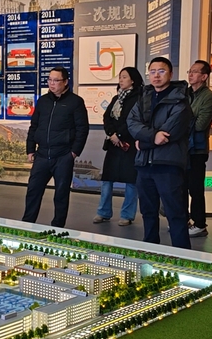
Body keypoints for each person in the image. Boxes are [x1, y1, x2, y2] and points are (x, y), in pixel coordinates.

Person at [127, 57, 193, 249]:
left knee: (175, 213)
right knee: (148, 212)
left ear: (170, 74)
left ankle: (182, 255)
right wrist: (151, 136)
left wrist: (143, 141)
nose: (156, 75)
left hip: (168, 165)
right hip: (144, 165)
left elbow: (169, 132)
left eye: (161, 71)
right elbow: (132, 123)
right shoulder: (144, 97)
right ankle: (151, 249)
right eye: (153, 71)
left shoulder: (180, 100)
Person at [22, 67, 88, 228]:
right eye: (49, 80)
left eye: (56, 80)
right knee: (33, 191)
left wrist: (74, 152)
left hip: (63, 155)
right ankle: (27, 224)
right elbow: (34, 126)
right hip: (42, 154)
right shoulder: (43, 101)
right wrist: (30, 149)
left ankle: (57, 227)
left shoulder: (75, 102)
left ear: (65, 82)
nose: (52, 83)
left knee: (61, 194)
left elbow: (82, 129)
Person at [94, 67, 142, 226]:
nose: (121, 80)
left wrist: (119, 135)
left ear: (133, 80)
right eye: (120, 77)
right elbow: (107, 118)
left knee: (131, 181)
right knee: (107, 179)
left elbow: (132, 120)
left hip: (129, 144)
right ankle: (103, 212)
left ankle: (127, 215)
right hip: (113, 145)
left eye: (124, 77)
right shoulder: (116, 98)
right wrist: (112, 134)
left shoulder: (139, 98)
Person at [185, 60, 212, 237]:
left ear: (204, 76)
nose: (191, 74)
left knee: (195, 189)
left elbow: (200, 125)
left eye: (195, 72)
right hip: (182, 148)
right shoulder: (185, 93)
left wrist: (181, 119)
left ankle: (199, 224)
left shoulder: (208, 96)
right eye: (190, 71)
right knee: (180, 186)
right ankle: (183, 220)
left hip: (197, 149)